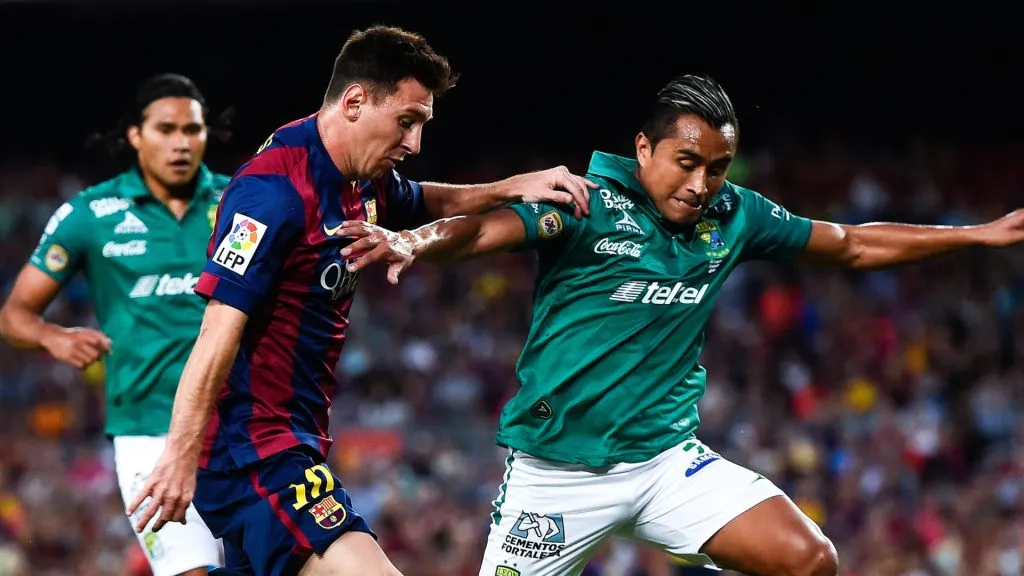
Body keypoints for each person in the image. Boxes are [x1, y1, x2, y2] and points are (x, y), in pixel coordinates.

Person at [337, 74, 1024, 576]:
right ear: (644, 148)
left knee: (810, 560)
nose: (701, 185)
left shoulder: (735, 215)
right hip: (557, 477)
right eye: (687, 162)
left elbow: (850, 243)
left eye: (717, 169)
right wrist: (413, 241)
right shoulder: (587, 205)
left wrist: (979, 236)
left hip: (667, 463)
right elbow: (485, 232)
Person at [125, 25, 594, 576]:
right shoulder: (273, 192)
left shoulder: (360, 178)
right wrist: (180, 453)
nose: (414, 143)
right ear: (354, 102)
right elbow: (217, 330)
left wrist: (512, 186)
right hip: (254, 453)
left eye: (422, 125)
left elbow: (424, 200)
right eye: (406, 121)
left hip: (293, 441)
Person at [0, 74, 229, 576]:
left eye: (192, 130)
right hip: (148, 433)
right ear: (135, 135)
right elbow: (14, 313)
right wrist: (51, 336)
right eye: (165, 129)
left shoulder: (238, 203)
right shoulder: (90, 214)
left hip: (240, 424)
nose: (180, 143)